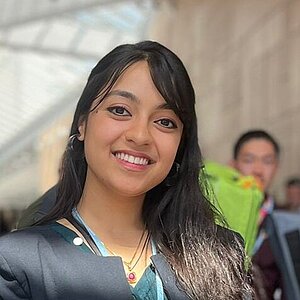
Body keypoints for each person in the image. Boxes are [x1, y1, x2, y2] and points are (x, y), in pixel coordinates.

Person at [0, 41, 251, 300]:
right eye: (120, 110)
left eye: (165, 122)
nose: (140, 136)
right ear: (83, 124)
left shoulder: (220, 254)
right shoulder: (17, 264)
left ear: (181, 144)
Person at [231, 130, 284, 300]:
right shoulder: (216, 215)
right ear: (233, 165)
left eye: (267, 161)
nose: (258, 170)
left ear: (276, 167)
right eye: (249, 160)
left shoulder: (285, 223)